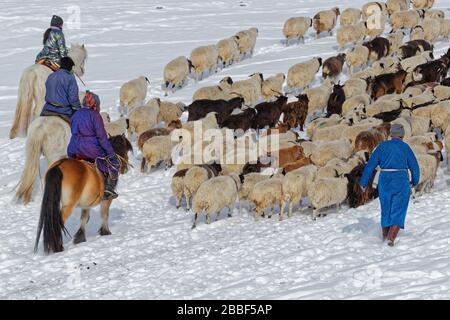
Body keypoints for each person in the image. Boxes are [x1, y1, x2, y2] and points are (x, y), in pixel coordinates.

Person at [359, 123, 420, 247]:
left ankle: (385, 237)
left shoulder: (381, 147)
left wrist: (363, 182)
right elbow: (414, 166)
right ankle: (390, 239)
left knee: (386, 209)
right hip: (401, 181)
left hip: (385, 181)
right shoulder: (405, 147)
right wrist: (415, 181)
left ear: (391, 134)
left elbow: (370, 165)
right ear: (402, 135)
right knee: (399, 210)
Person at [67, 91, 120, 200]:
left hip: (74, 147)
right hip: (91, 149)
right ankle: (108, 189)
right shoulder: (95, 116)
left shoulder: (75, 114)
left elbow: (73, 131)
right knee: (113, 164)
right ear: (95, 104)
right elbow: (101, 137)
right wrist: (111, 154)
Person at [40, 56, 81, 122]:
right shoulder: (70, 78)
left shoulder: (51, 76)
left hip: (47, 108)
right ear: (70, 67)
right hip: (64, 111)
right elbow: (73, 98)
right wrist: (78, 108)